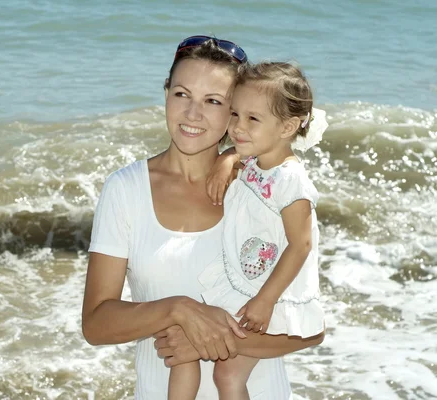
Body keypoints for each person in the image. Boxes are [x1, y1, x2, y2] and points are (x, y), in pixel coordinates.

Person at [81, 36, 325, 400]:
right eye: (182, 94)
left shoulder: (267, 188)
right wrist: (178, 310)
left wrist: (208, 342)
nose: (193, 114)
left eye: (214, 101)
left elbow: (311, 328)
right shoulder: (125, 189)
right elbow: (97, 325)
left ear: (236, 110)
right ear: (166, 93)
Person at [168, 61, 328, 400]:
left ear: (287, 127)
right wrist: (228, 159)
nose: (238, 127)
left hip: (271, 291)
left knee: (218, 366)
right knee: (226, 374)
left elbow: (301, 245)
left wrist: (265, 301)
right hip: (249, 277)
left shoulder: (290, 179)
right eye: (236, 114)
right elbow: (241, 156)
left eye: (252, 119)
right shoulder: (256, 159)